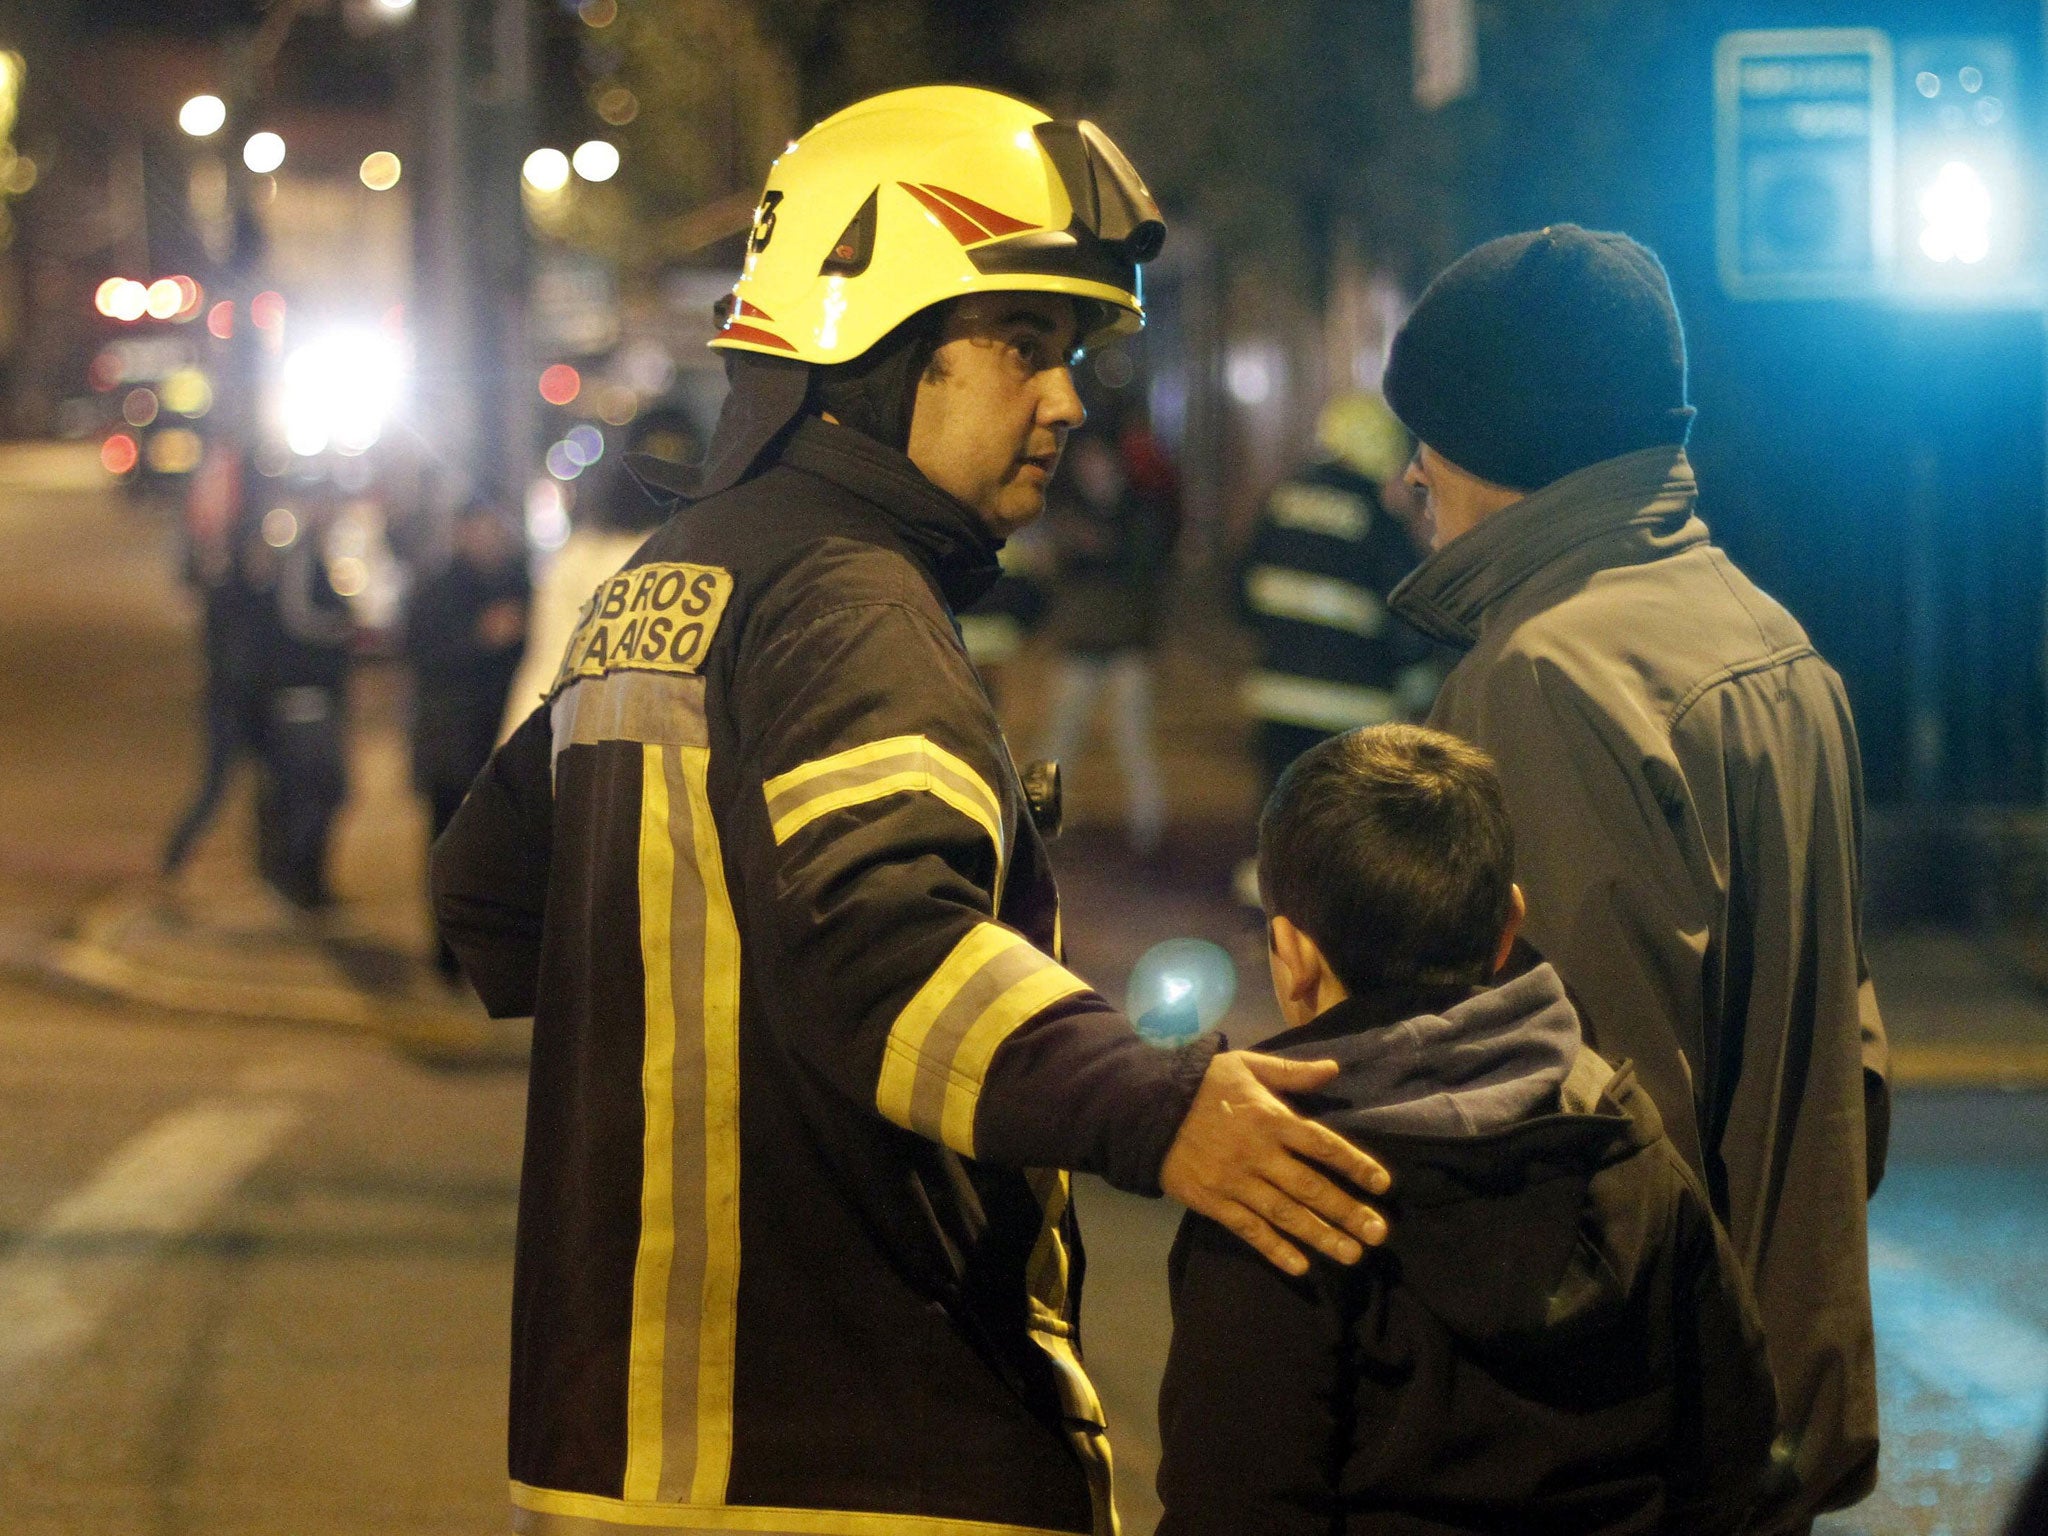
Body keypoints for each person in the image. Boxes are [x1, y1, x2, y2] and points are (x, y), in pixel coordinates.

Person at [432, 85, 1389, 1536]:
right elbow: (891, 951)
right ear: (871, 344)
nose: (1067, 398)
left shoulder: (666, 586)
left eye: (1072, 354)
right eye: (1022, 345)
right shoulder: (849, 601)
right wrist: (1157, 1104)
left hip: (609, 1450)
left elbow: (489, 906)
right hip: (862, 1456)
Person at [1382, 224, 1888, 1533]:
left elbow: (1579, 1139)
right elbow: (1853, 1066)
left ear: (1489, 441)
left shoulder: (1544, 678)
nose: (1407, 471)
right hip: (1765, 1409)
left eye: (1425, 432)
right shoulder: (1770, 644)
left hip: (1620, 1454)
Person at [1156, 723, 1780, 1535]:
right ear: (1508, 928)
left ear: (1291, 953)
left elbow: (1233, 1506)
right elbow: (1733, 1446)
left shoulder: (1274, 1185)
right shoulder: (1621, 1135)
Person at [1032, 428, 1178, 856]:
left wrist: (1095, 545)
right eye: (1086, 463)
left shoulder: (1138, 511)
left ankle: (1148, 827)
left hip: (1127, 644)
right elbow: (1050, 570)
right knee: (1057, 739)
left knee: (1133, 739)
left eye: (1101, 462)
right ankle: (1037, 824)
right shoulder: (1066, 511)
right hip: (1079, 642)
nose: (1093, 471)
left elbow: (1145, 566)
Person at [404, 499, 531, 980]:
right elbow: (420, 654)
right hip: (450, 746)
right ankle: (446, 956)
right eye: (479, 529)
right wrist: (480, 637)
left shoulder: (517, 583)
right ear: (461, 533)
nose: (488, 539)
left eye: (495, 529)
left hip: (499, 743)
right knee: (448, 852)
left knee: (498, 858)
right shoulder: (438, 586)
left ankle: (491, 953)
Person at [251, 493, 355, 911]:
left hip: (316, 696)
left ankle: (307, 878)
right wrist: (343, 627)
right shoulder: (301, 557)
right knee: (314, 791)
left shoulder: (316, 556)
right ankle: (298, 878)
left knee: (323, 791)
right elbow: (297, 617)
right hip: (300, 699)